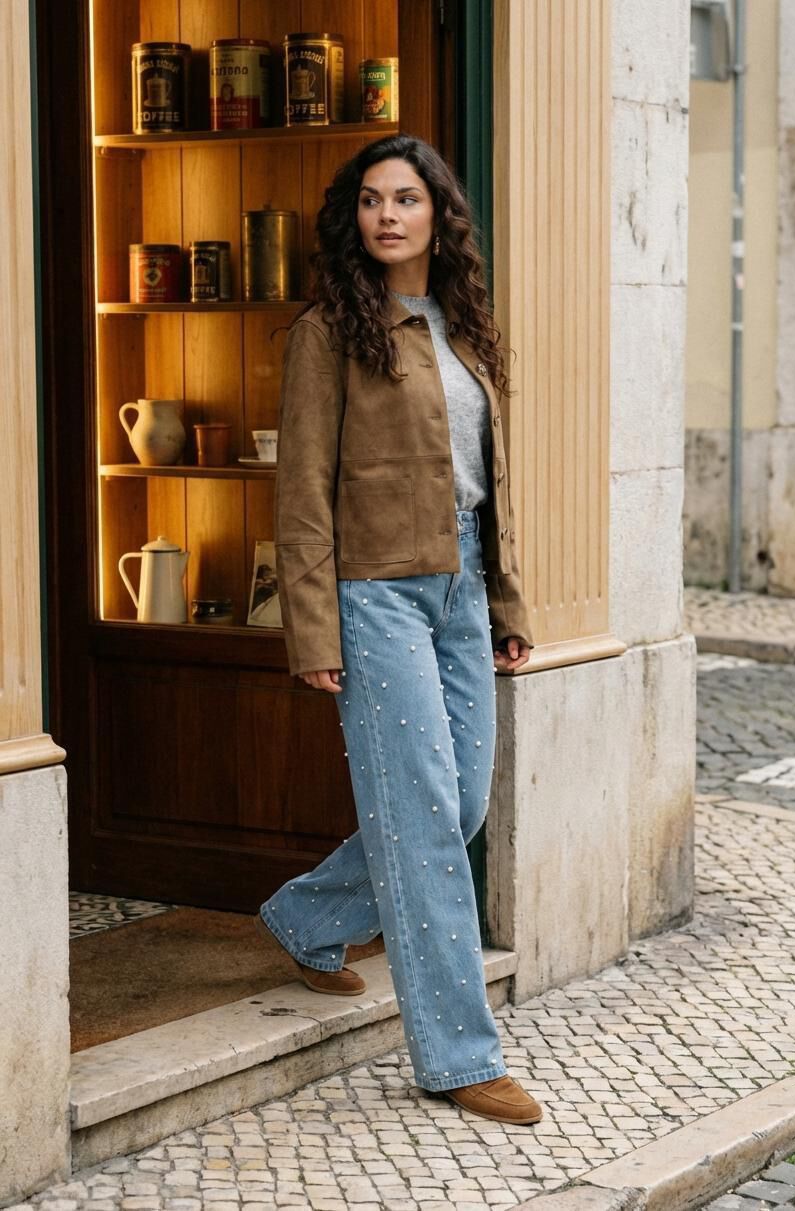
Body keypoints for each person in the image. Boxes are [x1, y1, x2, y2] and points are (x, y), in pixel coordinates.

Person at [254, 133, 541, 1126]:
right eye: (371, 199)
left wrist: (506, 604)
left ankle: (307, 914)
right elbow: (301, 494)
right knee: (422, 818)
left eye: (406, 198)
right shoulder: (328, 332)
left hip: (462, 588)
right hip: (374, 594)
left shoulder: (465, 328)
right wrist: (313, 630)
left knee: (458, 804)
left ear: (437, 215)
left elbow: (492, 483)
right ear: (355, 216)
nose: (387, 214)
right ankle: (458, 1054)